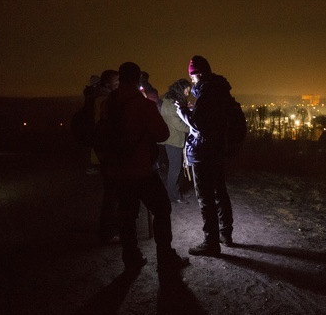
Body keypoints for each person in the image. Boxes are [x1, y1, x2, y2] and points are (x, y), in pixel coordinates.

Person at [101, 61, 188, 270]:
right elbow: (163, 133)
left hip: (117, 170)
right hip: (141, 169)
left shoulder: (109, 103)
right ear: (138, 78)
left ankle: (131, 258)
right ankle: (165, 257)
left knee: (127, 216)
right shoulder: (143, 105)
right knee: (162, 208)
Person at [176, 55, 235, 256]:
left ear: (198, 74)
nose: (191, 80)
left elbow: (199, 125)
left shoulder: (207, 92)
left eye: (192, 77)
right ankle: (226, 234)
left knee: (206, 197)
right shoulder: (220, 90)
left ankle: (211, 243)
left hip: (203, 152)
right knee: (220, 192)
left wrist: (183, 111)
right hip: (218, 150)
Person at [93, 69, 121, 244]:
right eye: (117, 82)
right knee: (112, 194)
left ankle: (109, 229)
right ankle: (108, 233)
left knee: (111, 193)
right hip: (108, 154)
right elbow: (105, 129)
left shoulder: (97, 98)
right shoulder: (104, 101)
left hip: (104, 153)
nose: (119, 85)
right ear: (108, 84)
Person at [159, 79, 192, 204]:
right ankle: (174, 196)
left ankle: (177, 193)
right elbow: (179, 125)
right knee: (175, 169)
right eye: (187, 90)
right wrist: (194, 129)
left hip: (174, 139)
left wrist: (185, 108)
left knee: (176, 168)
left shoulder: (171, 101)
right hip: (173, 140)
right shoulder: (170, 104)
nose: (188, 93)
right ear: (180, 89)